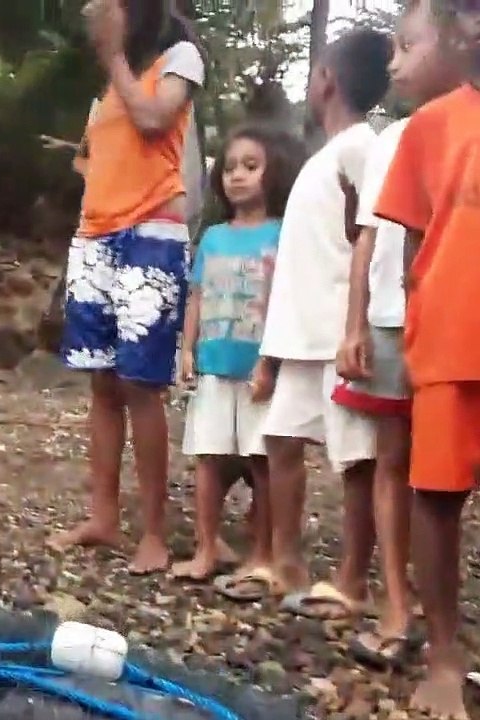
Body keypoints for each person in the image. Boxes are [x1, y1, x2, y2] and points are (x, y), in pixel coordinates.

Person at [334, 0, 464, 671]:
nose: (394, 64)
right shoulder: (406, 136)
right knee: (411, 476)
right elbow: (384, 241)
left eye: (409, 45)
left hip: (445, 334)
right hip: (417, 333)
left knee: (431, 477)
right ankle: (416, 624)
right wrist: (362, 323)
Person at [55, 0, 205, 575]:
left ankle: (155, 534)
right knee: (102, 382)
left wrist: (113, 55)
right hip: (95, 235)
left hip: (151, 234)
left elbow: (153, 120)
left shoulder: (180, 58)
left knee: (142, 385)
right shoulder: (108, 86)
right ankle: (102, 516)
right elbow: (99, 159)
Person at [252, 28, 391, 613]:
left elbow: (370, 237)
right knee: (282, 440)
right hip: (298, 336)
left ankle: (354, 578)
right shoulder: (325, 156)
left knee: (355, 459)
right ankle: (286, 563)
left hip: (337, 335)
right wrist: (271, 349)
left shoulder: (365, 147)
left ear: (327, 80)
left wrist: (356, 327)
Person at [374, 2, 480, 715]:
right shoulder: (431, 125)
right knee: (437, 500)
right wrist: (420, 327)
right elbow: (414, 245)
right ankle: (444, 654)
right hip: (451, 339)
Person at [171, 124, 303, 587]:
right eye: (229, 168)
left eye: (250, 166)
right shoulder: (212, 238)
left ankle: (262, 554)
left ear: (273, 173)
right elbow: (196, 296)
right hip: (212, 366)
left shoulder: (283, 234)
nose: (237, 176)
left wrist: (280, 359)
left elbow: (290, 298)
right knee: (208, 458)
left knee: (262, 461)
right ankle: (206, 548)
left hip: (260, 371)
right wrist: (186, 350)